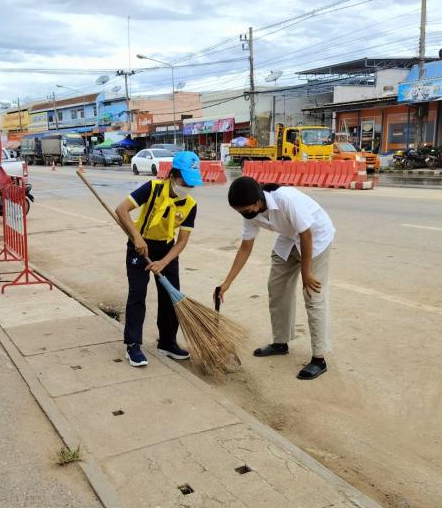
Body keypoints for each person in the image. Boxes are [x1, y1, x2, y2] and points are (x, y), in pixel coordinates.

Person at [218, 176, 335, 380]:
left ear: (257, 202)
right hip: (289, 238)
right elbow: (245, 248)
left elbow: (306, 234)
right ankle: (280, 343)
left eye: (245, 210)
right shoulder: (250, 213)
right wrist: (227, 282)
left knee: (313, 295)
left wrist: (306, 272)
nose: (244, 214)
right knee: (276, 288)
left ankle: (319, 358)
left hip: (316, 238)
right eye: (239, 211)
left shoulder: (285, 199)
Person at [114, 151, 203, 367]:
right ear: (173, 176)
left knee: (170, 297)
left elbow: (182, 241)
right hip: (140, 245)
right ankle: (133, 344)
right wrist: (137, 237)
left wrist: (164, 262)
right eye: (185, 182)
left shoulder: (190, 204)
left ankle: (167, 342)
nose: (188, 187)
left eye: (192, 183)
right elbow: (121, 210)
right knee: (138, 294)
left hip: (167, 250)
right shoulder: (152, 188)